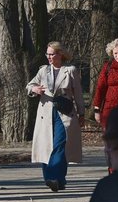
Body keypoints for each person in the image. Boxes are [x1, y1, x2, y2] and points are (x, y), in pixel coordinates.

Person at [27, 41, 85, 191]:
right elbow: (30, 85)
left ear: (60, 54)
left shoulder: (70, 70)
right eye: (48, 54)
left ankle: (54, 177)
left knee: (60, 145)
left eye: (52, 54)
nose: (49, 57)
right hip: (45, 112)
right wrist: (35, 89)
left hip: (65, 113)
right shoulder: (43, 71)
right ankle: (55, 179)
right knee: (46, 146)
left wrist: (81, 113)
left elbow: (78, 93)